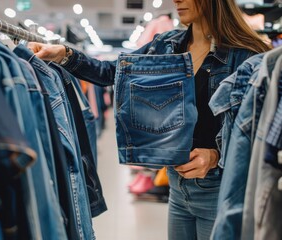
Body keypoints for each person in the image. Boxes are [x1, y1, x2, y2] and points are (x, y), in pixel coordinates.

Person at [27, 0, 270, 239]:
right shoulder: (167, 44)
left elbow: (258, 131)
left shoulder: (247, 56)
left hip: (219, 190)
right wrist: (65, 55)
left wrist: (216, 155)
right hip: (177, 187)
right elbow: (113, 72)